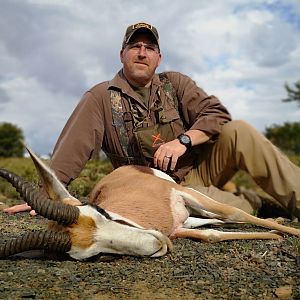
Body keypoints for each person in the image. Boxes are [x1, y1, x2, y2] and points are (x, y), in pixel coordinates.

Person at [4, 22, 300, 219]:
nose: (142, 53)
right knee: (229, 211)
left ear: (159, 57)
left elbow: (218, 116)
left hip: (200, 169)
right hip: (157, 192)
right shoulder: (100, 98)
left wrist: (183, 141)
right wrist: (43, 197)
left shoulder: (176, 84)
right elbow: (69, 154)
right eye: (135, 47)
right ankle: (252, 201)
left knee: (240, 131)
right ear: (122, 55)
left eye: (149, 48)